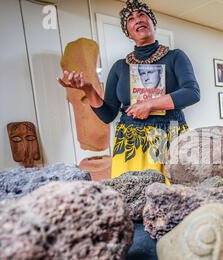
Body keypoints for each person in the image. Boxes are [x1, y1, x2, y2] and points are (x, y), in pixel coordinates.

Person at [58, 0, 200, 181]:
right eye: (131, 19)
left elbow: (192, 92)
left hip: (166, 136)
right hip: (130, 142)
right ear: (128, 32)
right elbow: (108, 114)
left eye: (142, 14)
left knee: (166, 193)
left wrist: (150, 104)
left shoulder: (175, 57)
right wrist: (88, 89)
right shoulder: (119, 67)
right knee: (130, 194)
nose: (138, 19)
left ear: (152, 22)